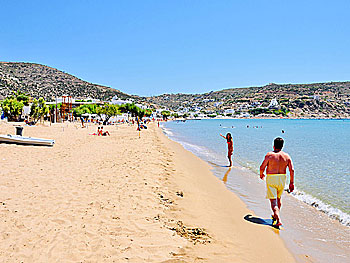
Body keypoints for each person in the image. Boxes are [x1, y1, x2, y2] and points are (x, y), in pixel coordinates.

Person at [260, 137, 294, 227]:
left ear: (273, 145)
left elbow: (262, 167)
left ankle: (278, 218)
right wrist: (291, 183)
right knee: (278, 198)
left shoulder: (269, 155)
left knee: (273, 202)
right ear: (282, 146)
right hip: (282, 179)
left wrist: (261, 174)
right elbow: (292, 170)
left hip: (271, 178)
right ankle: (276, 215)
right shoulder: (287, 156)